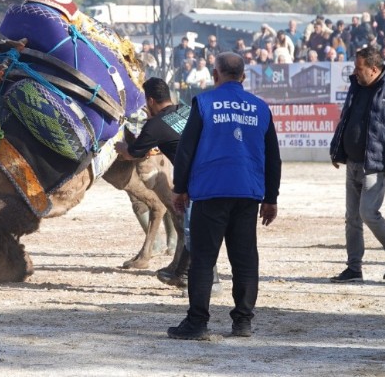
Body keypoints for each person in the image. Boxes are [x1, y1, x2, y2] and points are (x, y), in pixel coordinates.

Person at [167, 52, 281, 340]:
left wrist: (179, 188)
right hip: (248, 193)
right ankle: (242, 322)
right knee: (244, 259)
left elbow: (186, 150)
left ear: (215, 75)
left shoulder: (204, 103)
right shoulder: (261, 107)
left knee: (204, 259)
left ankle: (197, 323)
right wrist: (271, 198)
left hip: (210, 191)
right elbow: (273, 158)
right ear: (243, 77)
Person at [114, 78, 223, 293]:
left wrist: (121, 147)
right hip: (216, 171)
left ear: (151, 100)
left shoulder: (155, 125)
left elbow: (133, 153)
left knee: (197, 232)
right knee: (196, 230)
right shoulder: (186, 110)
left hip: (198, 181)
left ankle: (212, 283)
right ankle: (180, 273)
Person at [329, 47, 385, 283]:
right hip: (353, 163)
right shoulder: (356, 87)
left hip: (377, 165)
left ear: (374, 69)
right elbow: (346, 119)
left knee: (367, 212)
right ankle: (354, 268)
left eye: (359, 68)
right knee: (352, 219)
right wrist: (337, 150)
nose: (355, 72)